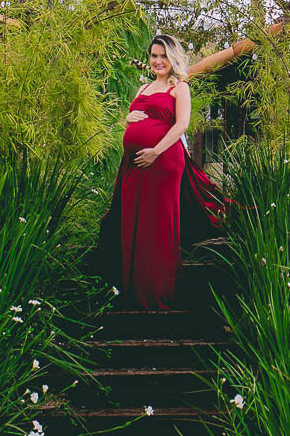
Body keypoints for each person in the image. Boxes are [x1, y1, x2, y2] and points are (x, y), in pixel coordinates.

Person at [97, 33, 228, 309]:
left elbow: (181, 125)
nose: (157, 61)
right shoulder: (142, 88)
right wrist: (128, 119)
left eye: (163, 56)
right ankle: (132, 291)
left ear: (173, 58)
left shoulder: (179, 87)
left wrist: (155, 151)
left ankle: (156, 294)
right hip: (134, 164)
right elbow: (134, 121)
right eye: (154, 56)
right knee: (133, 222)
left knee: (156, 225)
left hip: (163, 161)